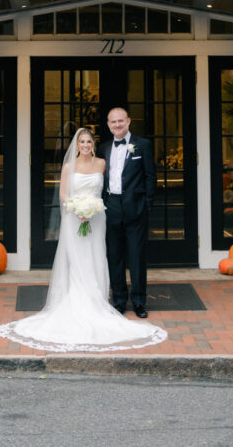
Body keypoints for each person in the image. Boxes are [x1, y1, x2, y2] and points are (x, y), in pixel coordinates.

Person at [0, 128, 166, 352]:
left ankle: (101, 299)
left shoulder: (102, 164)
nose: (85, 145)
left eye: (88, 142)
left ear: (93, 145)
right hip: (75, 219)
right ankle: (80, 301)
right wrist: (76, 209)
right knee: (78, 261)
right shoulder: (69, 167)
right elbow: (63, 194)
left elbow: (109, 189)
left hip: (97, 218)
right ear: (76, 146)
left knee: (97, 257)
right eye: (81, 142)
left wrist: (93, 208)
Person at [103, 106, 156, 317]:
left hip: (136, 208)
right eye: (113, 121)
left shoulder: (143, 145)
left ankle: (139, 301)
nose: (117, 124)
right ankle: (119, 300)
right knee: (114, 256)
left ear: (128, 121)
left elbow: (150, 176)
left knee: (136, 257)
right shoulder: (104, 148)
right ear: (108, 125)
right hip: (111, 207)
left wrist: (147, 204)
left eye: (121, 121)